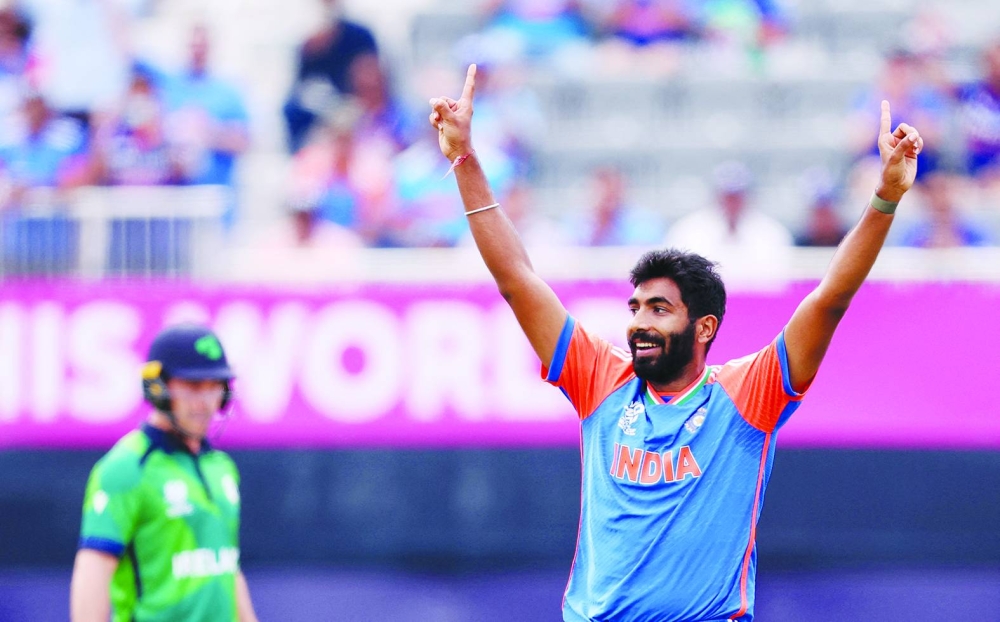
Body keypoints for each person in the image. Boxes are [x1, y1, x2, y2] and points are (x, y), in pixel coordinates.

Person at [430, 65, 921, 621]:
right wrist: (464, 159)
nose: (639, 322)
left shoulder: (748, 395)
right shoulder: (601, 379)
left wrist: (883, 199)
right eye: (635, 307)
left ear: (704, 327)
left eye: (659, 310)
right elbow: (517, 279)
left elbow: (830, 298)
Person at [69, 324, 258, 622]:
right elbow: (94, 568)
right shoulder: (128, 468)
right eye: (194, 386)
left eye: (214, 386)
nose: (206, 401)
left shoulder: (221, 467)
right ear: (157, 388)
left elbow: (225, 565)